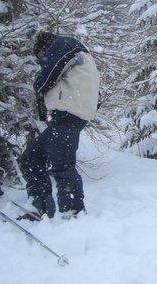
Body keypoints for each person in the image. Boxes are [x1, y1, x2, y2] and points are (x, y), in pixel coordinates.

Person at [18, 30, 100, 220]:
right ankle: (41, 206)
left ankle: (73, 214)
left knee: (61, 164)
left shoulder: (63, 45)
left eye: (39, 55)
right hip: (70, 114)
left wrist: (38, 86)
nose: (41, 59)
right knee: (30, 158)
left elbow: (49, 73)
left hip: (69, 113)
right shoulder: (79, 55)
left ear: (43, 47)